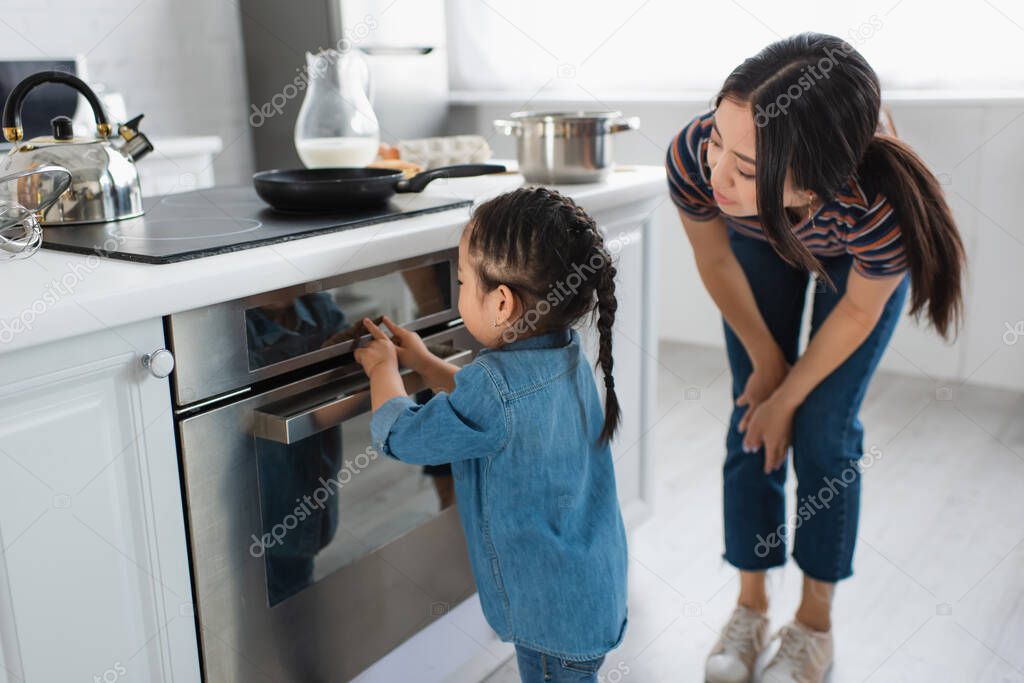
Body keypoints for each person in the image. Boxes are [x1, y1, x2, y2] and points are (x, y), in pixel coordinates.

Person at [666, 32, 965, 683]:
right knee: (752, 417)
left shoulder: (876, 206)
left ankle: (814, 624)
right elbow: (713, 256)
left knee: (824, 433)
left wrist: (792, 395)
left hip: (848, 266)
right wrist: (767, 367)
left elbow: (859, 309)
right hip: (759, 241)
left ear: (816, 182)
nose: (715, 172)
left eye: (744, 169)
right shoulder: (696, 155)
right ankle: (751, 606)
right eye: (718, 139)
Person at [354, 187, 629, 683]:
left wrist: (383, 373)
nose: (458, 291)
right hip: (587, 591)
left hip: (551, 615)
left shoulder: (495, 386)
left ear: (501, 303)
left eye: (461, 281)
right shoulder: (563, 352)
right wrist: (424, 363)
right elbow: (493, 412)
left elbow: (406, 435)